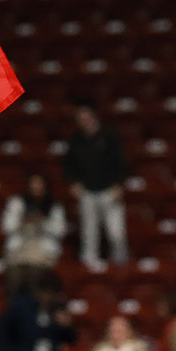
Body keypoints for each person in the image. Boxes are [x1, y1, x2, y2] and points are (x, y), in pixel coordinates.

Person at [62, 101, 129, 266]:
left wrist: (119, 184)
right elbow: (68, 165)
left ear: (94, 115)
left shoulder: (110, 136)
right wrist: (74, 183)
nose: (83, 119)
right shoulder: (75, 140)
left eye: (86, 115)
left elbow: (121, 162)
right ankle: (89, 268)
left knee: (116, 234)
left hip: (109, 191)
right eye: (80, 117)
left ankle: (121, 266)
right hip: (87, 193)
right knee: (89, 235)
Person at [1, 173, 69, 286]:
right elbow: (7, 228)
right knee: (15, 276)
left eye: (39, 184)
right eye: (33, 184)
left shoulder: (54, 206)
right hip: (19, 249)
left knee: (36, 276)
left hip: (42, 251)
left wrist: (43, 222)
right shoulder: (16, 203)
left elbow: (60, 231)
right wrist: (22, 220)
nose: (36, 187)